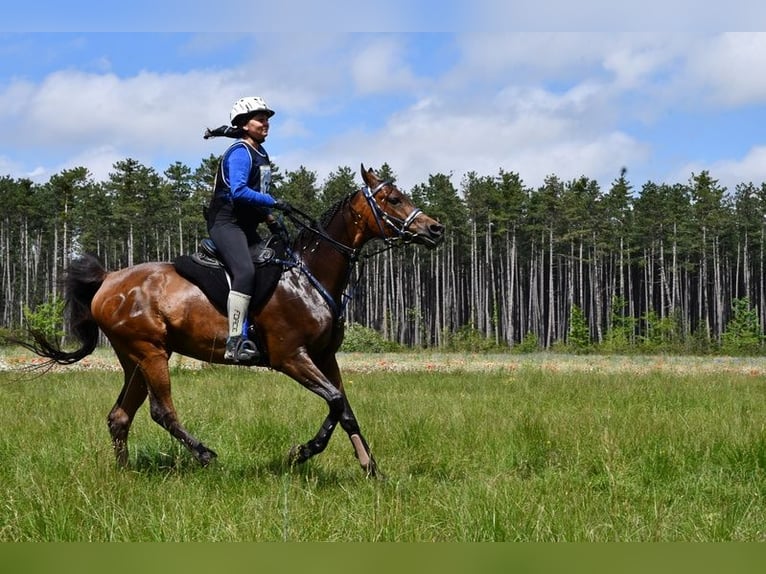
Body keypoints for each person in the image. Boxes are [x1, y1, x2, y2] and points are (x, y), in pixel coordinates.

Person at [205, 96, 289, 362]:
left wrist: (270, 219)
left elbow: (259, 192)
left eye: (267, 119)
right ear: (244, 124)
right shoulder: (240, 152)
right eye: (260, 119)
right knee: (244, 271)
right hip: (226, 223)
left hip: (247, 224)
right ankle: (235, 341)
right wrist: (273, 202)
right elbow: (240, 191)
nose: (266, 124)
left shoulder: (261, 153)